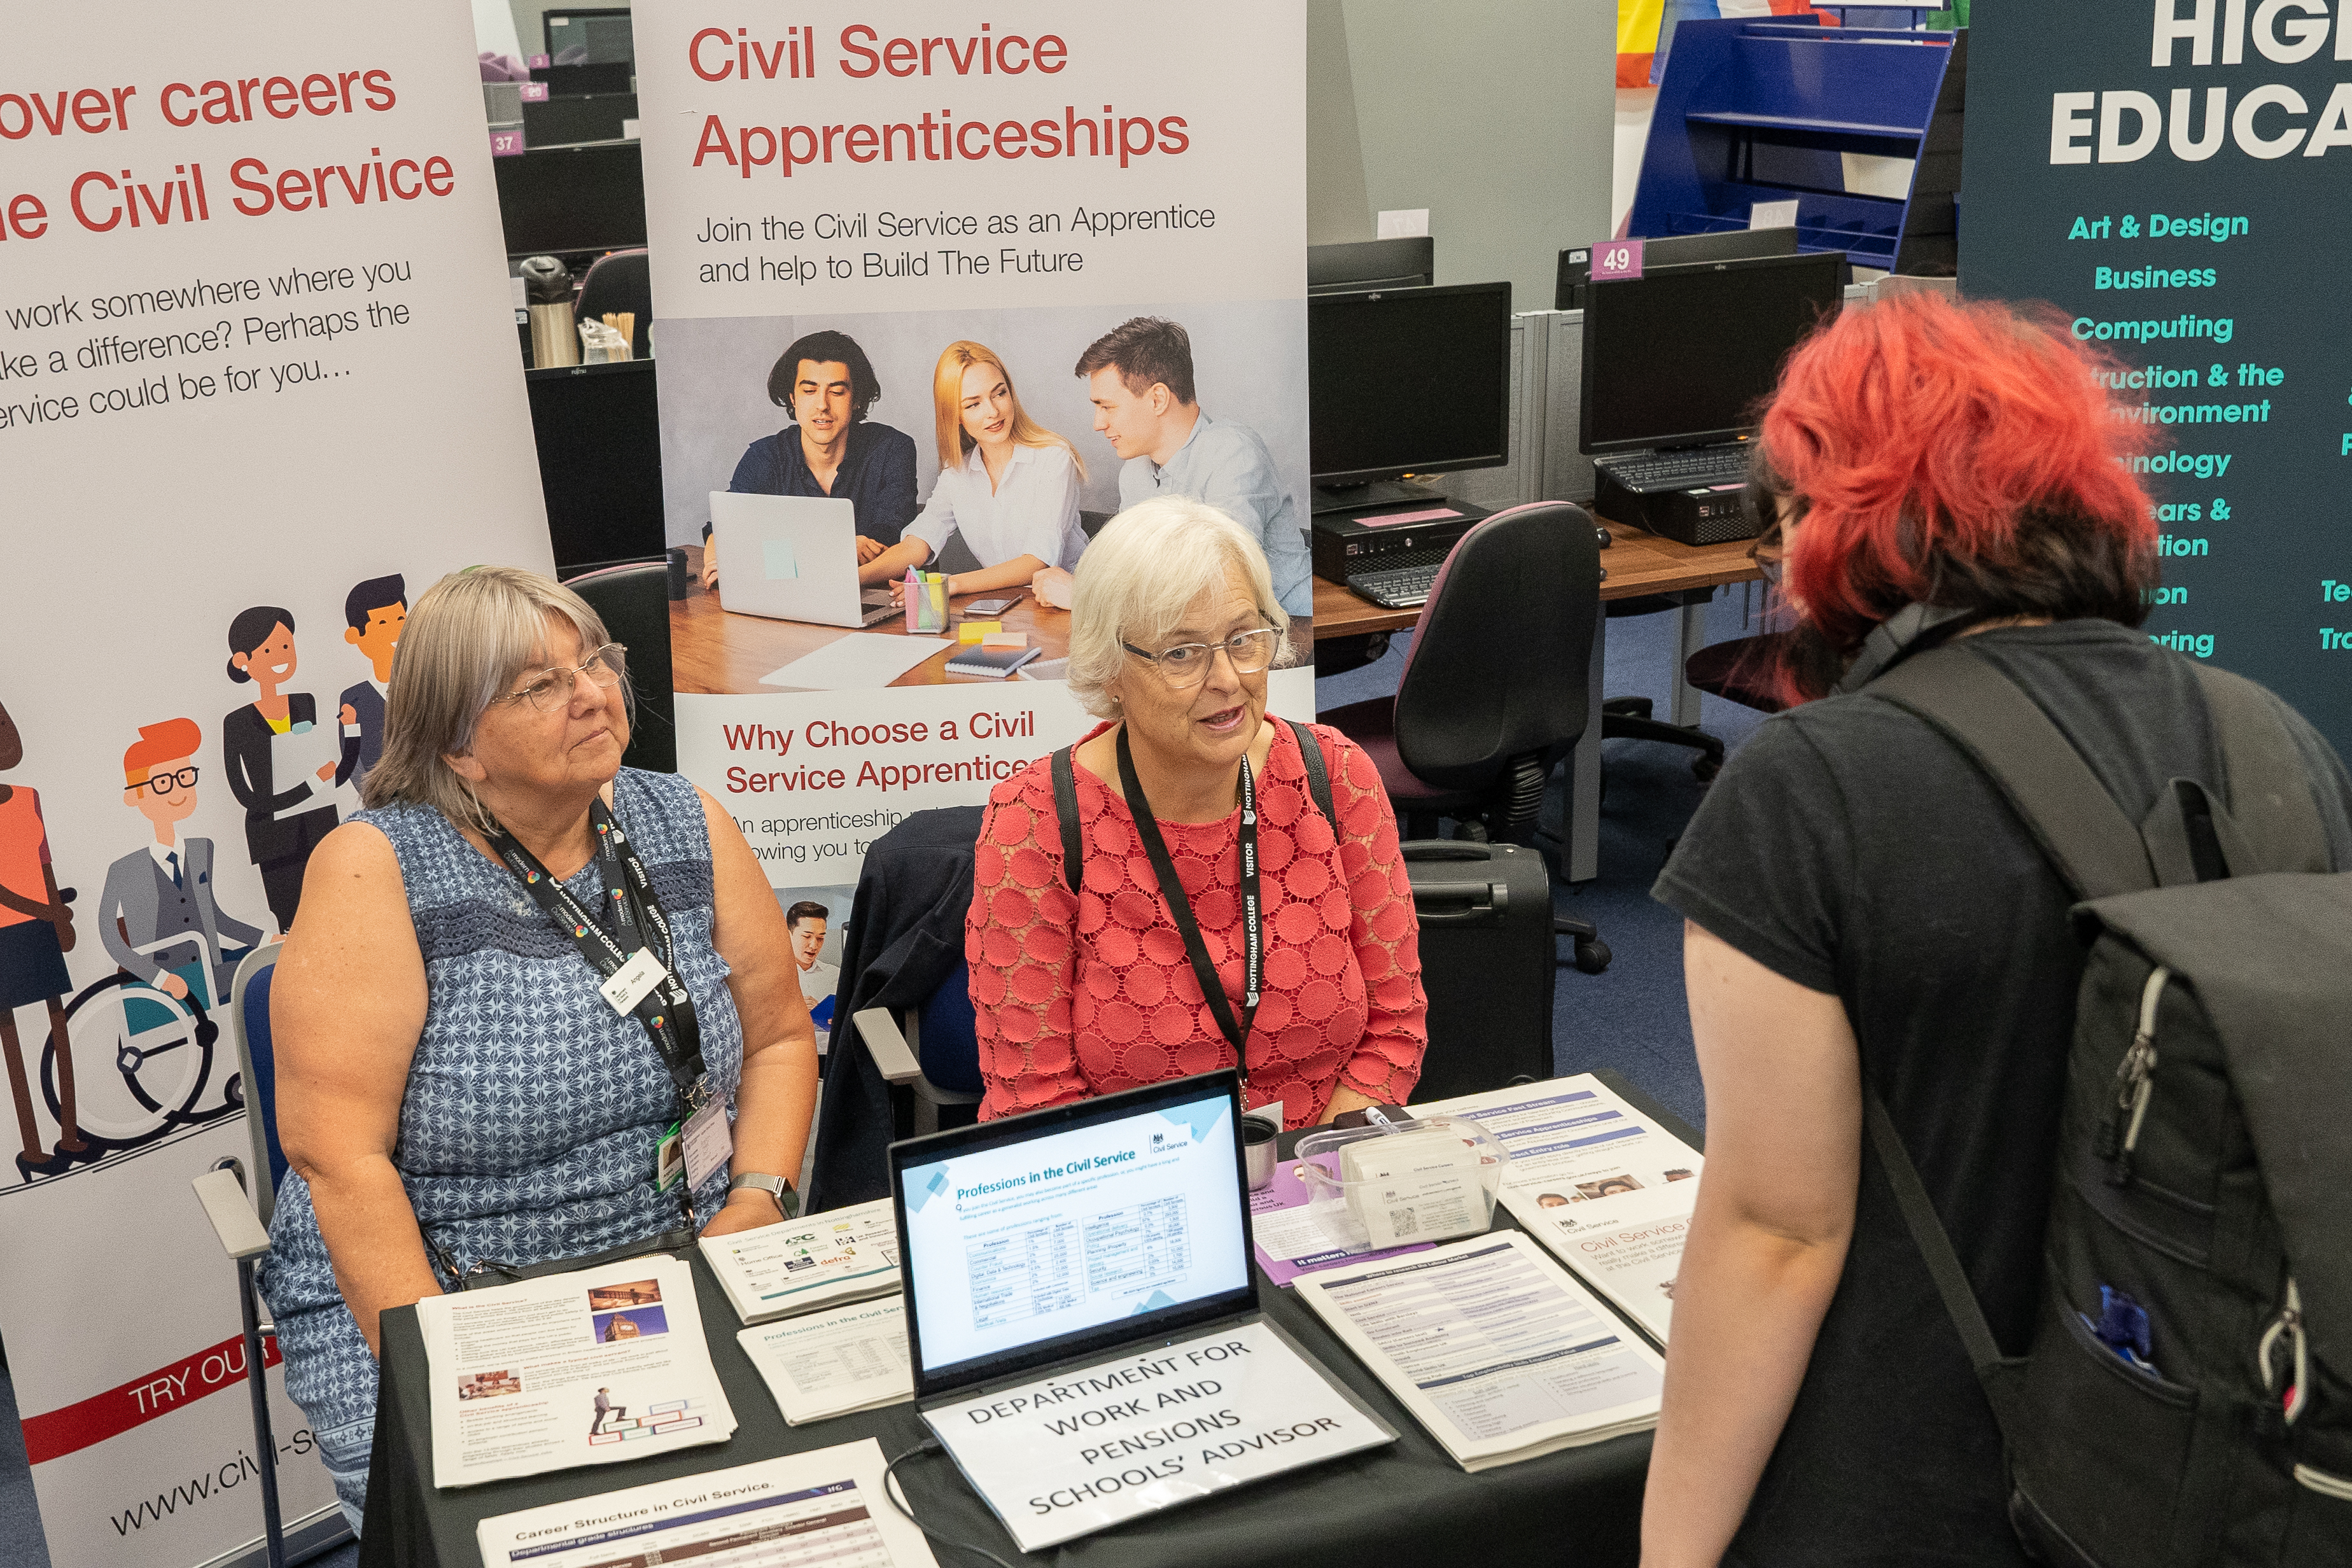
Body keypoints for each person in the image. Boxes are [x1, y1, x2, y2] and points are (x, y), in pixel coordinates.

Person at [1638, 293, 2352, 1566]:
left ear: (1852, 515)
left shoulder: (1811, 785)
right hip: (2224, 1470)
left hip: (1914, 1483)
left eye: (1792, 505)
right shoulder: (2275, 736)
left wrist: (1672, 1551)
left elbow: (1779, 1229)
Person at [257, 567, 820, 1536]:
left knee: (769, 1515)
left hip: (692, 1255)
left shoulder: (684, 819)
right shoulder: (377, 868)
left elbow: (775, 1040)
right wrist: (455, 1367)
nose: (594, 694)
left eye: (595, 660)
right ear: (457, 747)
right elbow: (336, 1158)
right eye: (538, 686)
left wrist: (760, 1196)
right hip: (454, 1294)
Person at [965, 496, 1424, 1130]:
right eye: (1182, 653)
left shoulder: (1336, 776)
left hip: (1325, 1163)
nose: (1229, 678)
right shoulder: (1035, 822)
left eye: (1243, 639)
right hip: (1133, 1186)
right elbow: (1035, 1097)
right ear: (1111, 667)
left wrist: (1312, 1171)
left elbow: (1394, 1027)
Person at [1048, 316, 1310, 617]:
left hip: (1289, 632)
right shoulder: (1136, 473)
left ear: (1158, 399)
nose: (1098, 424)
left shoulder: (1233, 454)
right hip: (1192, 636)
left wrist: (1084, 598)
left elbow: (1218, 588)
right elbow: (1116, 568)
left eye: (1107, 407)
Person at [858, 341, 1088, 601]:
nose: (993, 412)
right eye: (973, 404)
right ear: (955, 415)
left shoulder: (1054, 456)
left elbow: (1037, 562)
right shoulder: (957, 471)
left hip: (1077, 607)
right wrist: (855, 579)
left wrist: (951, 584)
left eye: (999, 394)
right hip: (1009, 606)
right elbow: (916, 545)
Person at [704, 329, 920, 588]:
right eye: (809, 391)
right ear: (793, 399)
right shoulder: (764, 457)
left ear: (857, 400)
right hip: (784, 595)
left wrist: (778, 555)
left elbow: (887, 541)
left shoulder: (892, 450)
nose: (822, 405)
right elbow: (724, 530)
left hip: (870, 598)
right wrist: (839, 549)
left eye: (837, 392)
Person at [98, 718, 263, 1009]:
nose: (179, 790)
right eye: (163, 782)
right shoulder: (124, 870)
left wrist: (264, 939)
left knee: (267, 957)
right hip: (171, 981)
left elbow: (215, 917)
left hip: (211, 964)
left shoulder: (201, 850)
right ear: (134, 795)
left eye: (185, 776)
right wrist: (159, 978)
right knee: (265, 974)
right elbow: (110, 936)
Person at [0, 697, 87, 1180]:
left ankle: (68, 1133)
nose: (6, 733)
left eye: (5, 720)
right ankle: (31, 1146)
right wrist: (48, 911)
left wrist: (58, 919)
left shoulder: (28, 797)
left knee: (59, 1023)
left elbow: (44, 863)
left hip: (40, 926)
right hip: (4, 933)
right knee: (10, 1036)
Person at [221, 606, 339, 932]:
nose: (282, 656)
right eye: (270, 649)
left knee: (337, 913)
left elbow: (316, 761)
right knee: (292, 924)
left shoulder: (305, 703)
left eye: (287, 646)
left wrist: (350, 734)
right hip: (273, 839)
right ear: (243, 661)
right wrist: (309, 787)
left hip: (319, 827)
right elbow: (245, 793)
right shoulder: (237, 722)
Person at [336, 574, 407, 793]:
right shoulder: (354, 699)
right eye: (383, 623)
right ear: (355, 635)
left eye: (401, 620)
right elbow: (352, 761)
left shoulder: (425, 686)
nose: (396, 630)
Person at [784, 901, 838, 1016]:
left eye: (820, 938)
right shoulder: (771, 976)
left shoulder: (836, 976)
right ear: (788, 935)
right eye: (807, 936)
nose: (814, 946)